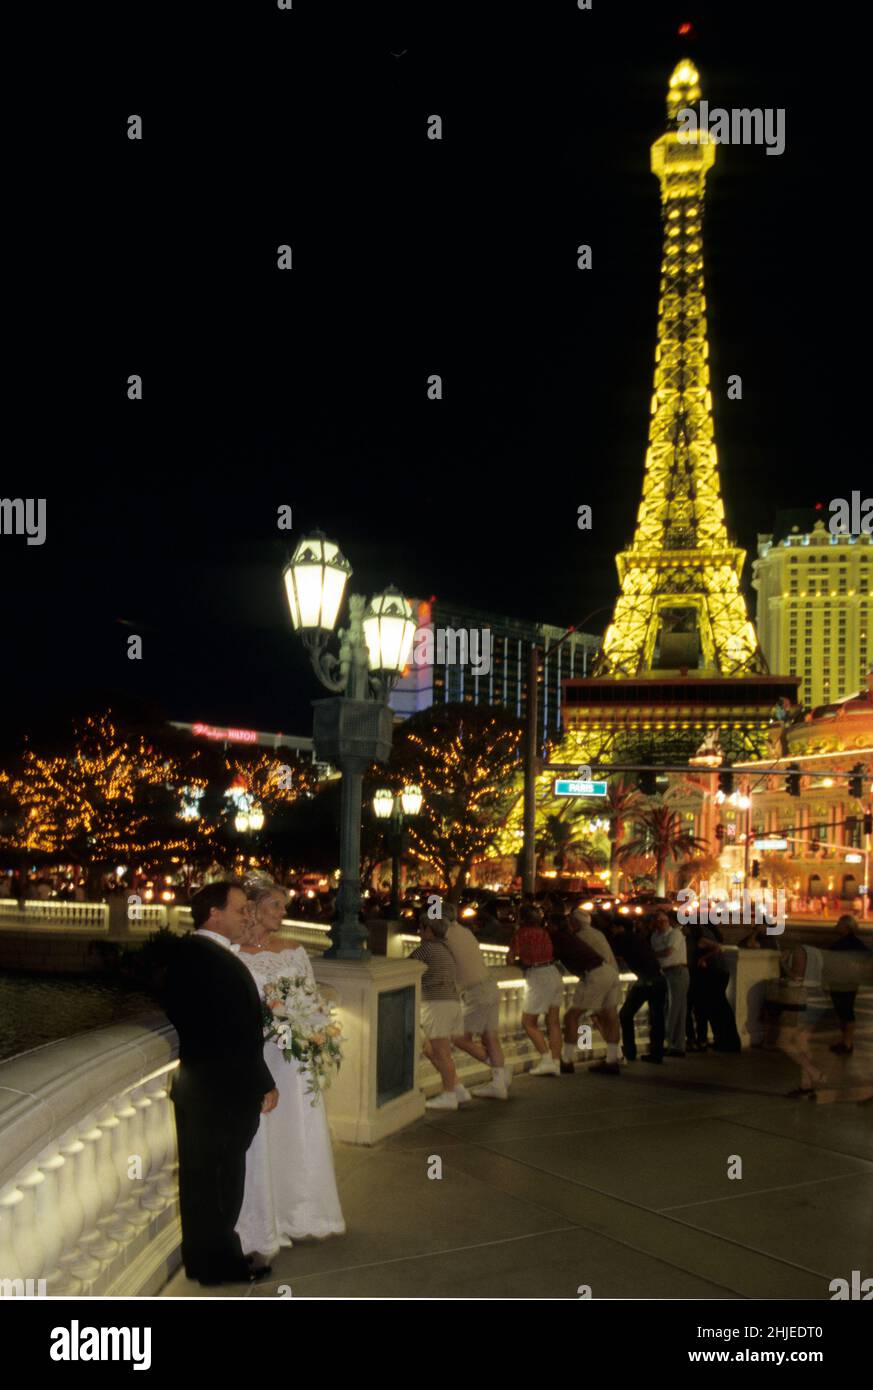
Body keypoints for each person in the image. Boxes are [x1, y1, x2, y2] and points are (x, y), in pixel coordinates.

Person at [163, 880, 278, 1286]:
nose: (247, 916)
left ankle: (209, 1260)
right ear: (214, 913)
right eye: (240, 909)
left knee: (208, 1180)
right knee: (217, 1182)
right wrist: (263, 1081)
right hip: (220, 1091)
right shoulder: (204, 957)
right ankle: (220, 1265)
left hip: (209, 1087)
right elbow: (232, 1031)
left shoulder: (197, 955)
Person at [235, 874, 345, 1260]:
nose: (283, 913)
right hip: (260, 1055)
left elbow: (312, 999)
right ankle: (264, 1217)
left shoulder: (294, 949)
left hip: (292, 1057)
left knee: (296, 1127)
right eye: (275, 905)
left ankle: (302, 1212)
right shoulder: (234, 953)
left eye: (284, 906)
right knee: (260, 1134)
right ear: (252, 908)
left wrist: (310, 1032)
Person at [442, 901, 512, 1100]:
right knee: (490, 1037)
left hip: (476, 993)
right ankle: (499, 1082)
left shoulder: (444, 937)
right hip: (490, 986)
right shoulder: (465, 932)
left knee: (458, 1037)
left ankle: (499, 1069)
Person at [410, 912, 467, 1110]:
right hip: (451, 1002)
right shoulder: (447, 950)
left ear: (429, 931)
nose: (419, 932)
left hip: (436, 1004)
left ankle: (449, 1096)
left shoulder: (425, 950)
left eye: (421, 928)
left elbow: (404, 967)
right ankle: (457, 1088)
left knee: (441, 1053)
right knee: (430, 1048)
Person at [554, 910, 623, 1075]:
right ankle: (613, 1058)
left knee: (572, 1016)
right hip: (611, 974)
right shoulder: (598, 934)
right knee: (611, 1016)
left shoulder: (576, 937)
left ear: (575, 923)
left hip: (594, 975)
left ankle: (567, 1059)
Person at [509, 905, 564, 1076]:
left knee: (528, 1022)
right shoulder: (543, 932)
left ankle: (546, 1059)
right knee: (553, 1022)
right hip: (554, 973)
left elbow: (510, 958)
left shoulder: (521, 933)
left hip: (538, 976)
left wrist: (519, 960)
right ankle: (556, 1062)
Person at [614, 918, 666, 1063]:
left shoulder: (622, 939)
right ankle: (657, 1053)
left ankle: (630, 1050)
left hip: (646, 981)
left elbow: (613, 957)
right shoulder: (639, 938)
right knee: (657, 1017)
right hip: (658, 979)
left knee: (625, 1014)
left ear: (620, 928)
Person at [692, 921, 741, 1053]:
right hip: (719, 974)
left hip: (713, 975)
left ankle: (726, 1042)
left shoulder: (700, 935)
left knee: (717, 1009)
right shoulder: (709, 931)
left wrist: (702, 959)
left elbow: (718, 947)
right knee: (720, 1008)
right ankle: (725, 1041)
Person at [829, 914, 871, 1056]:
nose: (837, 925)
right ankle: (845, 1040)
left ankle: (847, 1042)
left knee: (846, 1011)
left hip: (845, 981)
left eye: (839, 923)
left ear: (846, 927)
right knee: (842, 1011)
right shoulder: (850, 942)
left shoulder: (850, 943)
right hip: (843, 981)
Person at [650, 910, 689, 1057]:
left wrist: (652, 955)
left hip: (677, 972)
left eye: (663, 921)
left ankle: (672, 1042)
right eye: (658, 921)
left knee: (675, 1009)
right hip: (665, 973)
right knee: (672, 1008)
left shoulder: (675, 934)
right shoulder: (655, 936)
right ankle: (677, 1046)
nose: (661, 924)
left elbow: (668, 952)